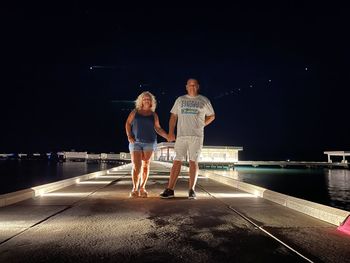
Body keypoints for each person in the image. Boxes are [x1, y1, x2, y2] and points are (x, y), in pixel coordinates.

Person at [160, 78, 215, 199]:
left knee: (193, 161)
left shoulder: (204, 100)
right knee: (177, 161)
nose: (192, 87)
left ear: (198, 86)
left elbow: (212, 116)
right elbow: (173, 117)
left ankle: (191, 190)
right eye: (190, 85)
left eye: (194, 85)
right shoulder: (180, 100)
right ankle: (170, 189)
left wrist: (201, 124)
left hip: (196, 136)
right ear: (186, 87)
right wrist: (170, 132)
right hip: (181, 136)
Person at [125, 91, 168, 198]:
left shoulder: (154, 115)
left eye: (148, 99)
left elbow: (158, 128)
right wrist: (129, 135)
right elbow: (127, 123)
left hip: (150, 142)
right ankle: (135, 188)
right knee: (136, 166)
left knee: (145, 165)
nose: (146, 100)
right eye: (144, 99)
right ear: (141, 100)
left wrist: (167, 136)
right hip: (136, 142)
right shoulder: (135, 112)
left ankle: (143, 188)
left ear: (151, 101)